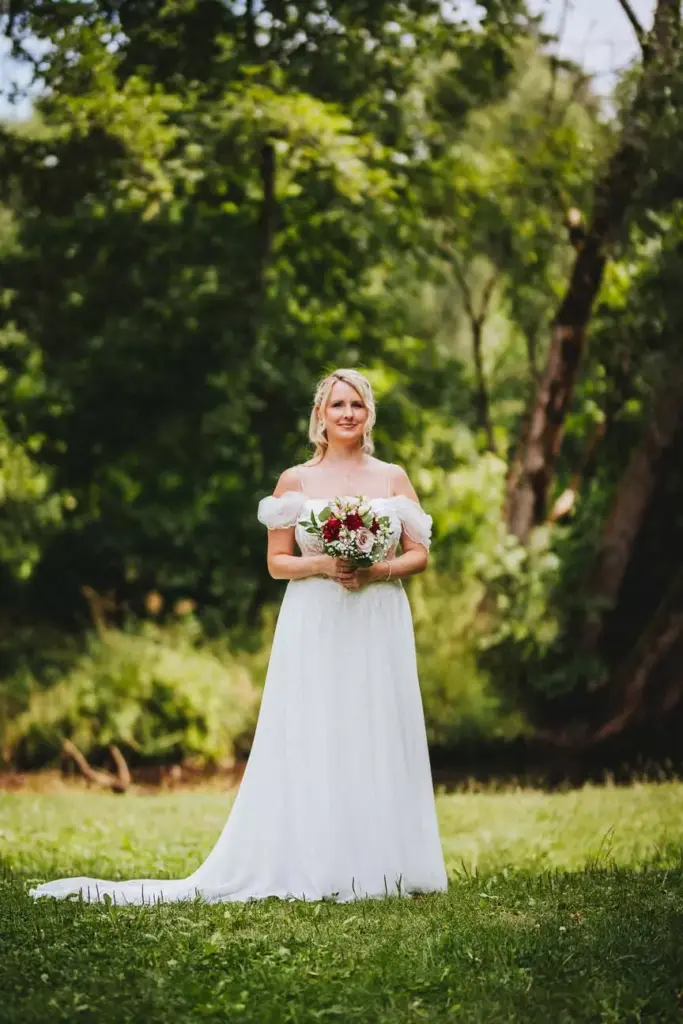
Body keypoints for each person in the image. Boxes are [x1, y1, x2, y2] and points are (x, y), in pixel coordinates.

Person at [30, 368, 448, 904]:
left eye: (358, 406)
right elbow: (277, 563)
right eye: (338, 404)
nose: (348, 414)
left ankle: (387, 862)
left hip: (378, 615)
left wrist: (374, 571)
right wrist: (323, 563)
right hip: (316, 617)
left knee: (375, 722)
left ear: (369, 415)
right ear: (321, 414)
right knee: (318, 728)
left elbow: (419, 553)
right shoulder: (294, 482)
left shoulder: (393, 477)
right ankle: (319, 861)